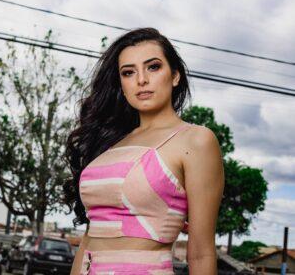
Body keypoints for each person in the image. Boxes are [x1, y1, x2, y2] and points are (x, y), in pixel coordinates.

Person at [64, 28, 224, 274]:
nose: (141, 80)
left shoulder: (196, 141)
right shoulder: (108, 143)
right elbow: (88, 239)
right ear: (122, 84)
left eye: (153, 67)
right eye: (128, 72)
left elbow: (201, 253)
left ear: (175, 76)